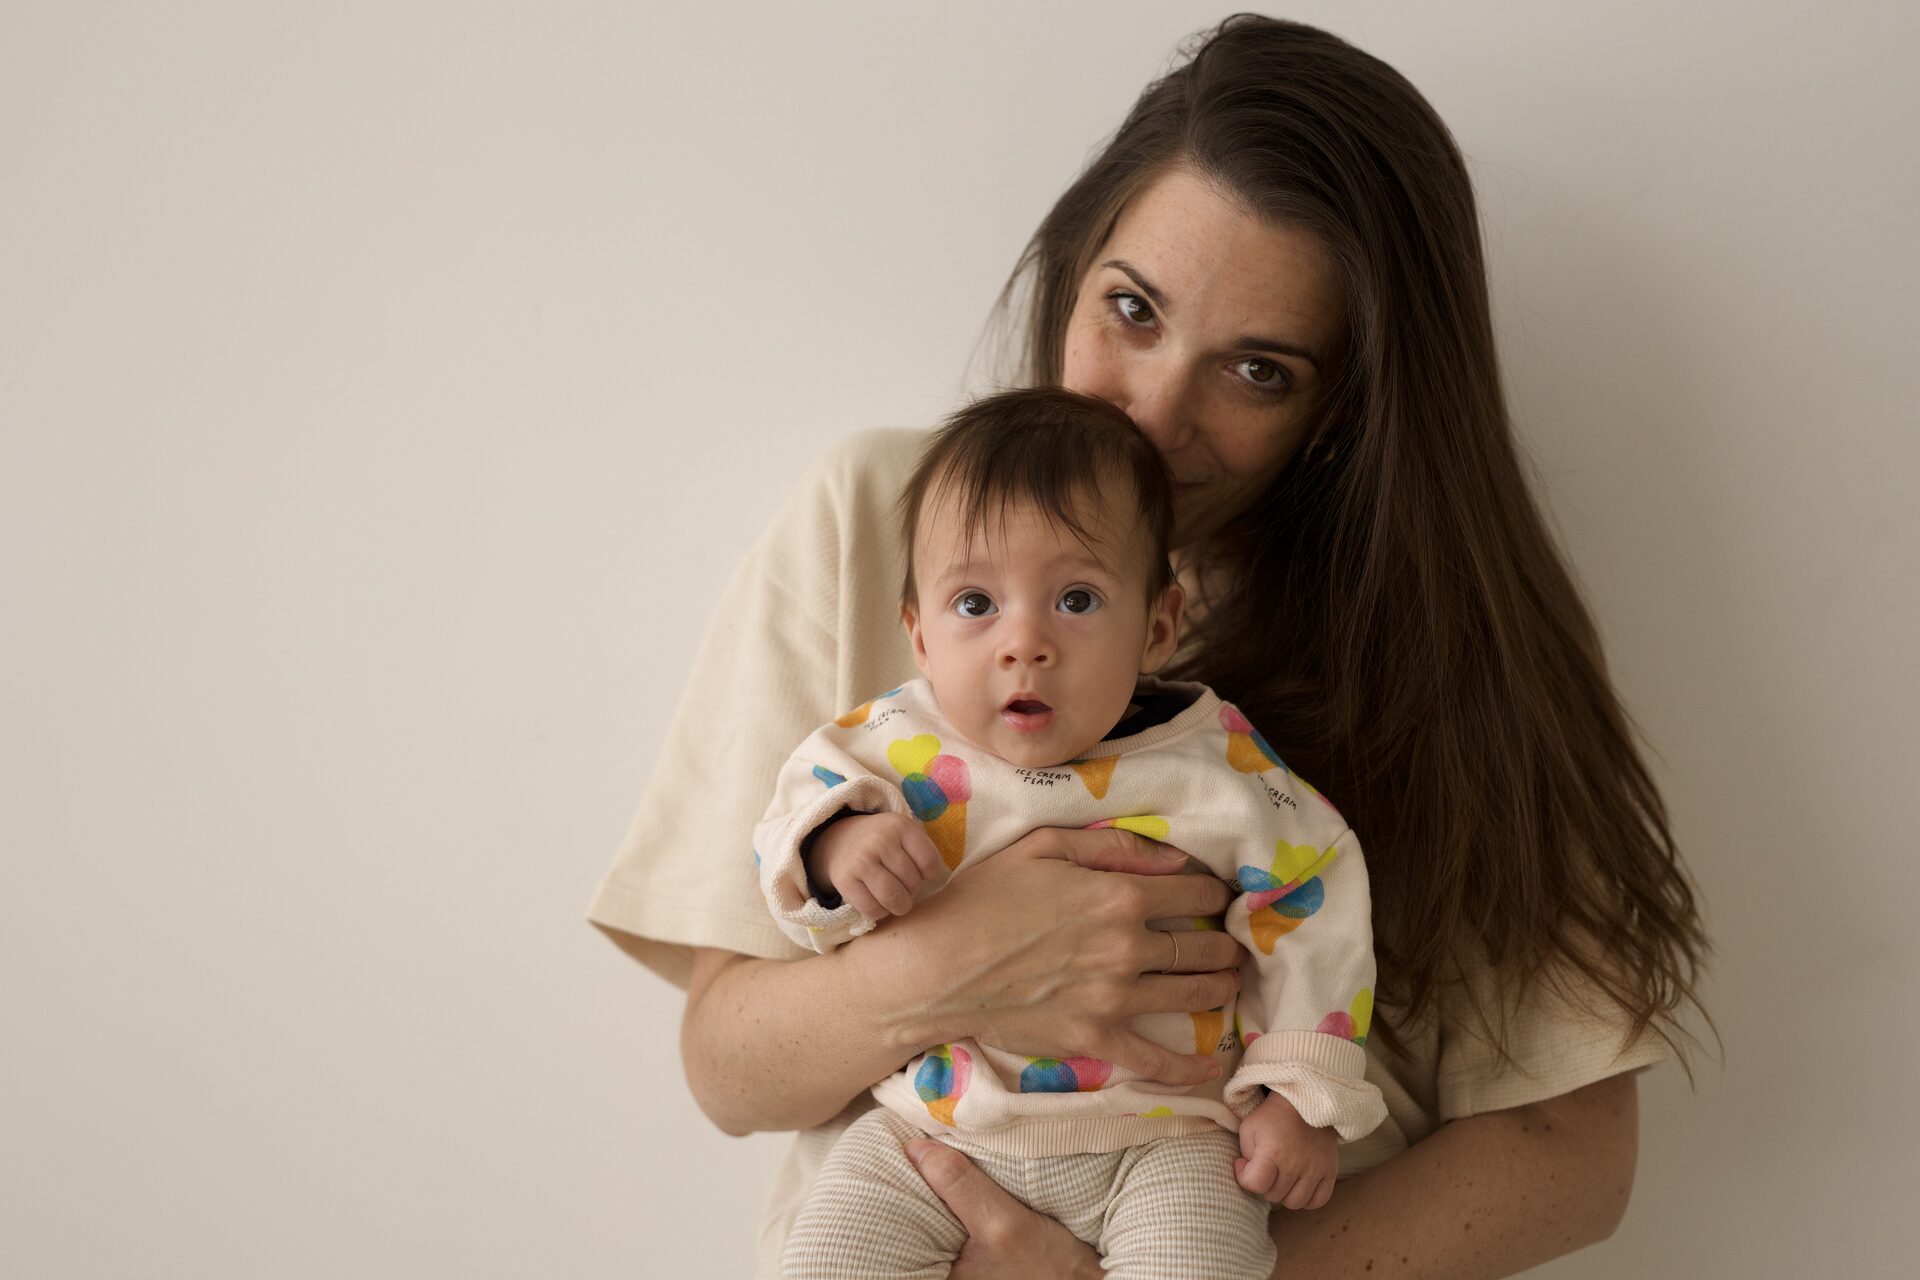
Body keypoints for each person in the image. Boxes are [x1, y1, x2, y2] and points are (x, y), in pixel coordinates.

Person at [587, 15, 1710, 1278]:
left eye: (1258, 370)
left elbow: (1568, 1148)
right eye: (1130, 309)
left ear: (1349, 405)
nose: (1153, 411)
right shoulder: (885, 522)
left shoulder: (1451, 650)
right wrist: (965, 958)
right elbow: (730, 1066)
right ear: (1071, 265)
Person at [759, 390, 1384, 1279]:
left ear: (1158, 625)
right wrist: (835, 849)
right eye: (975, 602)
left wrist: (1298, 1093)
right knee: (827, 1258)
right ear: (920, 637)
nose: (1025, 643)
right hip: (935, 1129)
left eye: (1078, 599)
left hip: (1164, 1137)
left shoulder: (1216, 764)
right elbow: (787, 828)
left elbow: (1314, 894)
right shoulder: (891, 746)